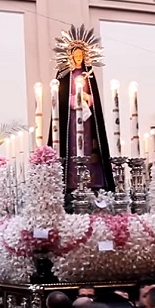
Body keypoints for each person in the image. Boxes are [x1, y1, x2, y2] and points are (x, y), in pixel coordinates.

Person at [49, 24, 115, 193]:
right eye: (75, 55)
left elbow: (95, 102)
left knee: (87, 147)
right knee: (70, 148)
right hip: (70, 121)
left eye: (81, 55)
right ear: (70, 56)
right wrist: (75, 99)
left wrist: (88, 98)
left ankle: (92, 182)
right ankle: (70, 183)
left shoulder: (89, 76)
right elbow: (61, 100)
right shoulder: (64, 76)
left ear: (85, 56)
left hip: (87, 121)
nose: (78, 58)